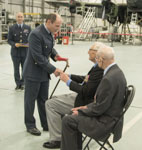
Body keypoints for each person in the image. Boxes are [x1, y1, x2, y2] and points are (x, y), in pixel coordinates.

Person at [60, 45, 127, 150]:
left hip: (105, 123)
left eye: (97, 58)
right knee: (71, 116)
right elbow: (102, 103)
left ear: (100, 59)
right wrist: (84, 108)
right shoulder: (117, 72)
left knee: (68, 120)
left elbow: (99, 108)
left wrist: (81, 111)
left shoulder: (108, 79)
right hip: (111, 117)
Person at [43, 42, 104, 149]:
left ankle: (58, 139)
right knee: (55, 99)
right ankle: (65, 134)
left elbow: (85, 91)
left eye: (90, 49)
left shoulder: (99, 70)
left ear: (97, 53)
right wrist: (69, 76)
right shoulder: (98, 67)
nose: (88, 52)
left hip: (84, 101)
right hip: (84, 96)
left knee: (50, 104)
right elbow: (86, 79)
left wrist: (68, 82)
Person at [23, 13, 63, 136]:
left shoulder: (49, 33)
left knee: (44, 100)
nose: (58, 28)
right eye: (57, 25)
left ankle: (46, 124)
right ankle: (30, 125)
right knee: (30, 100)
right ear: (49, 22)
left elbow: (49, 47)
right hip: (32, 73)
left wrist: (56, 55)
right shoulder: (35, 34)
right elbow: (38, 57)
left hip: (43, 73)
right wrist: (54, 69)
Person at [8, 12, 31, 90]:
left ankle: (23, 83)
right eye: (18, 17)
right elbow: (9, 40)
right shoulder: (12, 28)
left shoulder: (28, 27)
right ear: (16, 18)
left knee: (24, 68)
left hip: (25, 52)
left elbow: (31, 38)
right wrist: (14, 44)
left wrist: (29, 44)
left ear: (23, 18)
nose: (20, 18)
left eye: (21, 17)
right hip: (15, 52)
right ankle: (18, 84)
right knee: (16, 69)